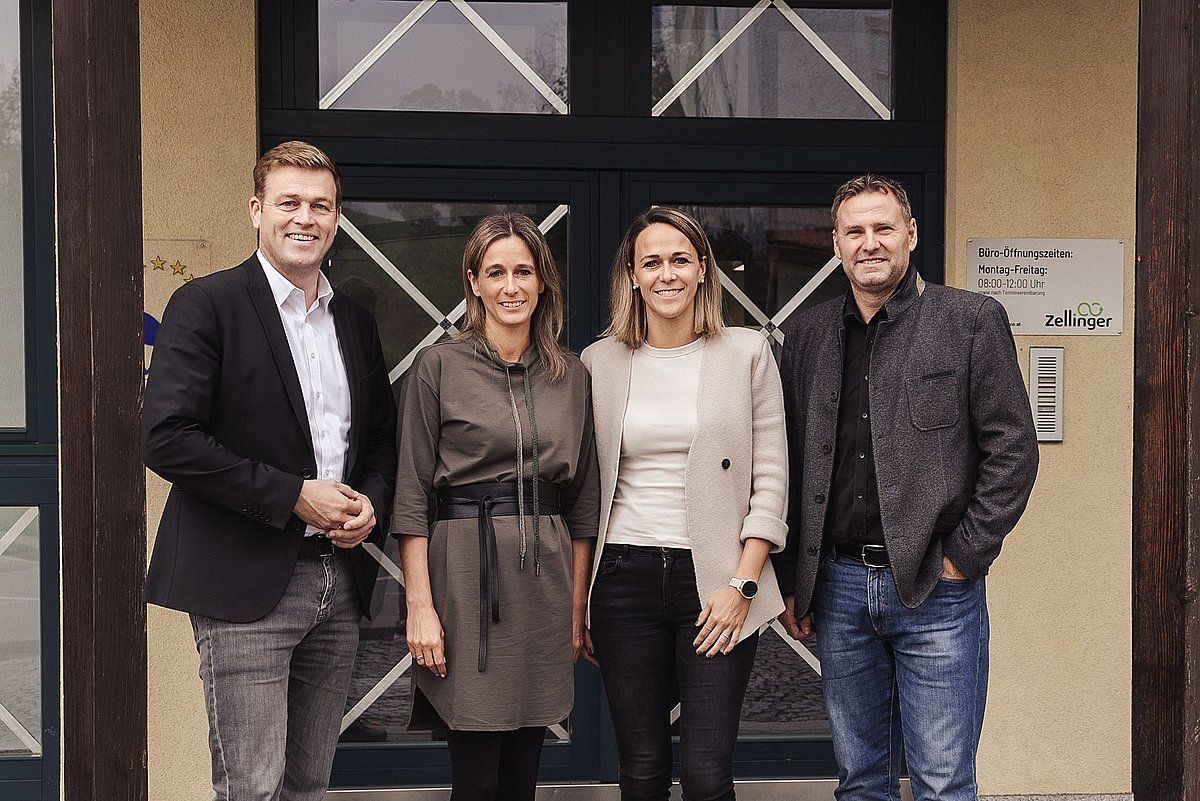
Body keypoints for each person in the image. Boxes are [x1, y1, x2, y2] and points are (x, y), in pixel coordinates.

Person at [142, 140, 398, 800]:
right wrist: (293, 497)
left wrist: (368, 502)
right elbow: (167, 438)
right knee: (252, 785)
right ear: (257, 210)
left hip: (337, 583)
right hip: (242, 585)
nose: (304, 218)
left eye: (320, 205)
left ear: (337, 218)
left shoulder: (354, 322)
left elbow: (379, 443)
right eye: (288, 202)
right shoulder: (207, 304)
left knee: (309, 782)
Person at [773, 174, 1039, 801]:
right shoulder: (806, 337)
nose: (870, 243)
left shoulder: (970, 321)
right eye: (855, 231)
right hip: (836, 589)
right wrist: (794, 580)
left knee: (943, 781)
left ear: (911, 235)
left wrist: (963, 556)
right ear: (835, 244)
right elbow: (787, 462)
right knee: (859, 780)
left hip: (936, 589)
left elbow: (1013, 451)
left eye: (883, 228)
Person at [581, 207, 789, 801]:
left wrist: (742, 584)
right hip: (623, 579)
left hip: (718, 582)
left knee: (704, 772)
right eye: (652, 261)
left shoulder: (747, 353)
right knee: (642, 769)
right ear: (632, 275)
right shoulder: (600, 363)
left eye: (679, 259)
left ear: (702, 269)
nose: (666, 273)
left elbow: (771, 479)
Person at [392, 212, 599, 801]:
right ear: (474, 283)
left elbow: (583, 501)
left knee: (523, 771)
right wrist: (419, 609)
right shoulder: (438, 366)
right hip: (464, 576)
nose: (511, 286)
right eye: (496, 272)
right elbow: (411, 494)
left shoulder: (574, 375)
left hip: (546, 578)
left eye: (524, 272)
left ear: (543, 283)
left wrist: (577, 608)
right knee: (477, 775)